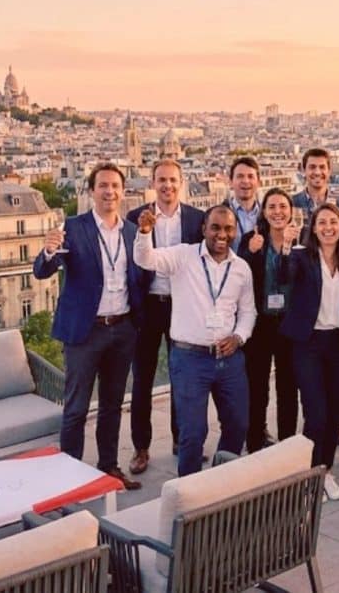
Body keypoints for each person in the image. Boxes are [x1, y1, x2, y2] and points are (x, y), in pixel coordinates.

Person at [33, 162, 148, 490]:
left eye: (115, 186)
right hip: (85, 331)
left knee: (112, 405)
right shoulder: (74, 226)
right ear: (92, 191)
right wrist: (49, 249)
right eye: (103, 186)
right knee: (77, 407)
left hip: (122, 328)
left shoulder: (131, 231)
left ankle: (108, 468)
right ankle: (70, 477)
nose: (110, 192)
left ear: (123, 192)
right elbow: (43, 271)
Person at [133, 205, 257, 476]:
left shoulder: (241, 269)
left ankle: (219, 481)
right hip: (190, 359)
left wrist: (239, 337)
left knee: (238, 425)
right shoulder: (183, 256)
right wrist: (144, 233)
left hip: (229, 359)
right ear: (203, 229)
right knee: (192, 434)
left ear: (235, 232)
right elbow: (145, 259)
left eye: (228, 228)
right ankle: (188, 498)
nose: (221, 234)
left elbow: (248, 311)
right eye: (215, 227)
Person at [127, 159, 205, 472]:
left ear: (181, 182)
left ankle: (180, 438)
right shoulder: (136, 217)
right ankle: (141, 447)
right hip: (148, 303)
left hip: (182, 304)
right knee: (143, 378)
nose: (167, 185)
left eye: (173, 180)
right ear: (152, 182)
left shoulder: (197, 218)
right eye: (162, 180)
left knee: (182, 377)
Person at [280, 203, 339, 502]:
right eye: (322, 222)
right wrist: (286, 246)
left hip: (338, 344)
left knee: (333, 415)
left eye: (334, 222)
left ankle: (325, 471)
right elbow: (283, 277)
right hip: (308, 343)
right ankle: (309, 474)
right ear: (313, 228)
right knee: (315, 413)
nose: (328, 227)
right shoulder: (301, 257)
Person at [238, 188, 302, 453]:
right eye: (272, 207)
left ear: (290, 211)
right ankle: (255, 441)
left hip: (288, 322)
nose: (278, 212)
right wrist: (251, 252)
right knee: (257, 386)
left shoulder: (302, 240)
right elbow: (239, 275)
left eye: (283, 206)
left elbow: (296, 279)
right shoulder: (252, 239)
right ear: (263, 212)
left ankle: (287, 443)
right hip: (261, 322)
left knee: (288, 387)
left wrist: (288, 247)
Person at [291, 147, 339, 225]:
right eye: (312, 167)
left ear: (329, 171)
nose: (317, 172)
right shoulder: (292, 203)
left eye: (322, 167)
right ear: (304, 170)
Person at [226, 156, 262, 253]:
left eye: (250, 176)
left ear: (258, 182)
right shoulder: (218, 214)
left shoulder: (267, 214)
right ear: (230, 182)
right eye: (240, 176)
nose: (246, 181)